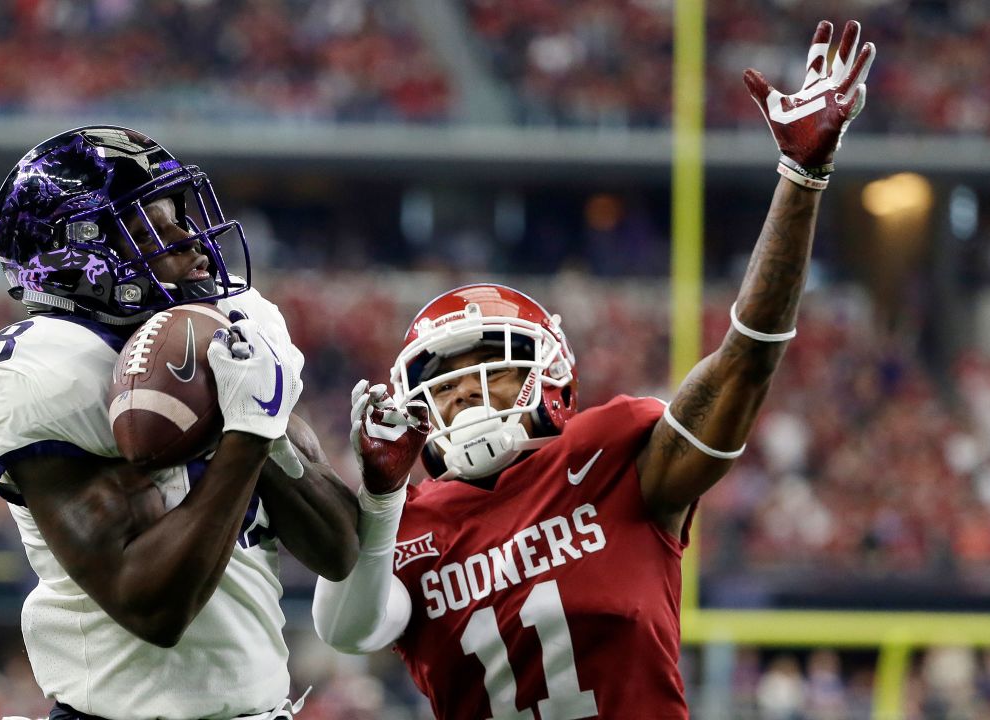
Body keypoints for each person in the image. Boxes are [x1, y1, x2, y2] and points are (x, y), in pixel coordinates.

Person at [312, 20, 876, 719]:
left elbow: (748, 358)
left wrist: (801, 179)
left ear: (549, 376)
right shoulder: (409, 521)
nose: (468, 393)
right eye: (447, 381)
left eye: (493, 367)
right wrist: (377, 498)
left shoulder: (613, 454)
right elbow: (348, 629)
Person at [0, 126, 359, 720]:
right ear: (81, 255)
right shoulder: (47, 371)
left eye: (182, 215)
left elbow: (338, 550)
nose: (193, 239)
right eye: (155, 225)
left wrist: (266, 426)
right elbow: (153, 608)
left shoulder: (224, 328)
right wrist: (246, 434)